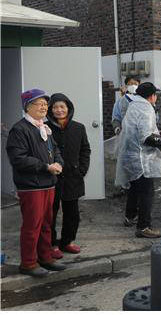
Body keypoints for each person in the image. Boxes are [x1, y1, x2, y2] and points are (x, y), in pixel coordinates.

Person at [6, 89, 66, 277]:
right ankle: (28, 263)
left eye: (44, 103)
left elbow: (55, 150)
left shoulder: (43, 127)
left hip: (48, 183)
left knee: (47, 224)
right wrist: (46, 166)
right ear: (27, 107)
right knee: (32, 226)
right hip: (31, 186)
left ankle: (45, 257)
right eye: (38, 103)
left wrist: (58, 163)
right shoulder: (20, 129)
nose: (43, 107)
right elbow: (19, 158)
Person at [115, 82, 161, 238]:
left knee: (135, 187)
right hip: (140, 158)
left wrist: (158, 134)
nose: (156, 98)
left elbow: (140, 130)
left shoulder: (134, 106)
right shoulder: (146, 108)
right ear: (151, 96)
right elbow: (146, 136)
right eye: (156, 95)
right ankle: (144, 227)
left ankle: (130, 216)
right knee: (147, 191)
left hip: (130, 156)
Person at [46, 93, 91, 258]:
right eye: (55, 107)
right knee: (50, 212)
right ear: (50, 110)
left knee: (72, 213)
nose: (59, 110)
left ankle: (68, 241)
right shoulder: (44, 128)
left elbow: (85, 150)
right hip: (51, 178)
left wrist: (82, 170)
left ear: (69, 108)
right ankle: (51, 244)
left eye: (62, 107)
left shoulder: (78, 128)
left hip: (73, 176)